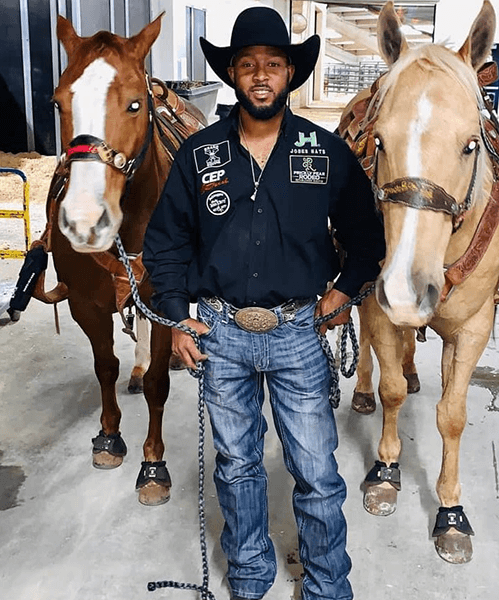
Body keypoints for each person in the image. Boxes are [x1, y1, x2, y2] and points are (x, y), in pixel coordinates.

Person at [143, 7, 385, 600]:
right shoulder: (200, 155)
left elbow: (367, 236)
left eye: (273, 64)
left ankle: (328, 585)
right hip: (219, 334)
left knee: (318, 474)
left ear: (289, 75)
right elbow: (166, 242)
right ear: (231, 73)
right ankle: (250, 576)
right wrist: (177, 317)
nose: (260, 75)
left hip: (297, 332)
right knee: (238, 466)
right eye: (248, 64)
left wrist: (343, 288)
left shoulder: (324, 153)